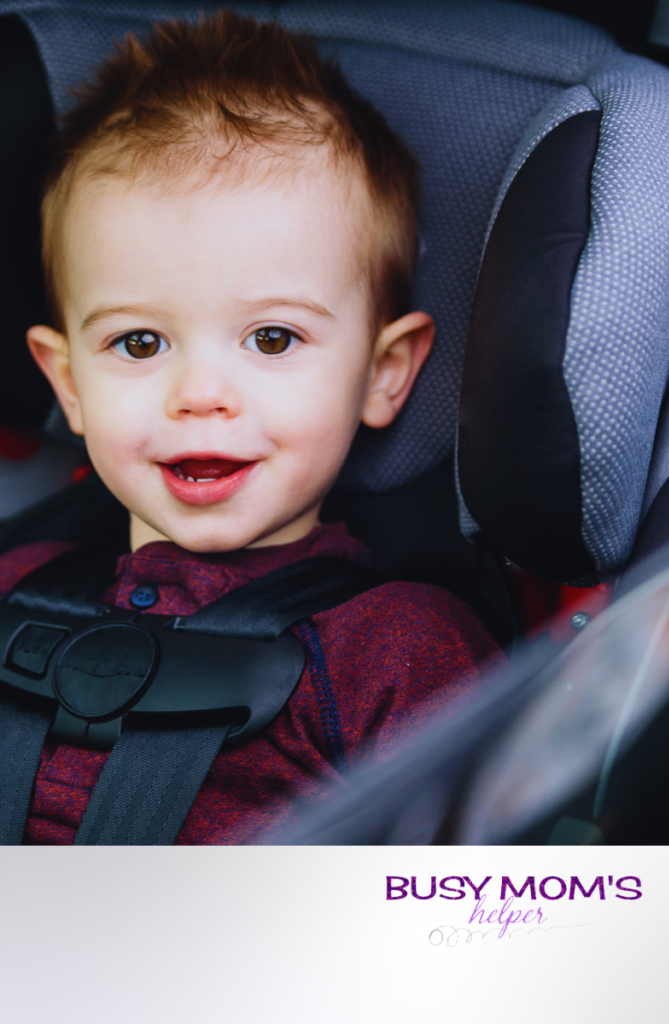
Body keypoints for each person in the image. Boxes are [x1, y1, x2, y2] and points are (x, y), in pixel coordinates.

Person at [0, 10, 499, 844]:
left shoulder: (397, 652)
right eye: (138, 342)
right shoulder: (16, 581)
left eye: (272, 339)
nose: (199, 394)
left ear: (382, 373)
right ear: (68, 382)